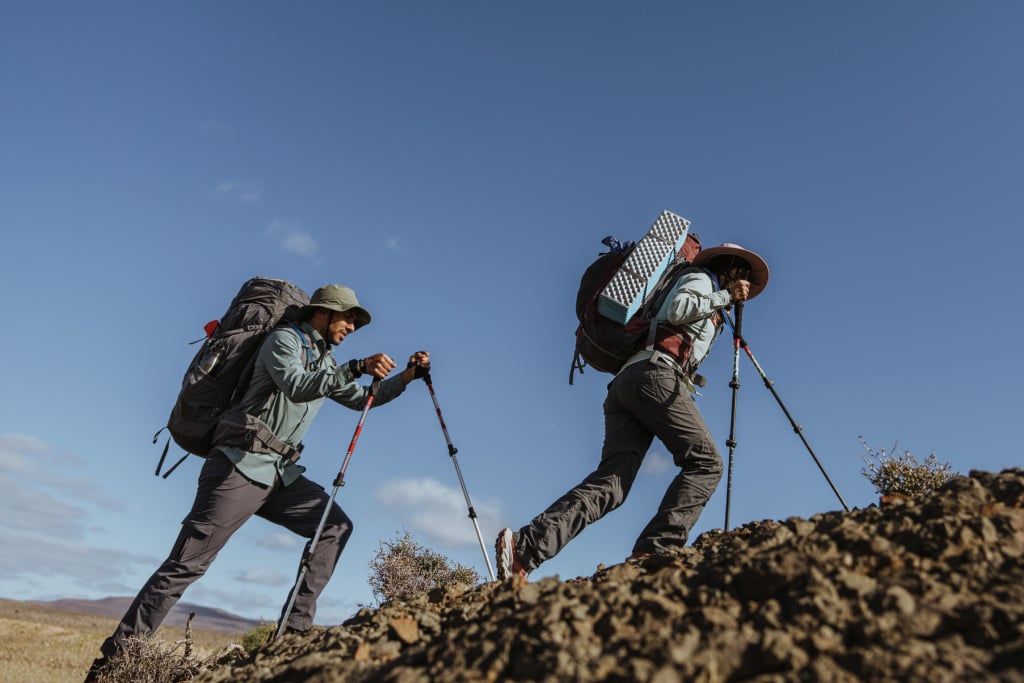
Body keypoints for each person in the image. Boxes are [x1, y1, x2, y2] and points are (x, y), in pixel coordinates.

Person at [86, 284, 430, 682]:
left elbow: (361, 399)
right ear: (323, 313)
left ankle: (291, 638)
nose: (352, 326)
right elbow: (297, 385)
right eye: (348, 317)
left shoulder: (324, 357)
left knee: (334, 527)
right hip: (238, 465)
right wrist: (354, 367)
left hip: (280, 476)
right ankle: (112, 666)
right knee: (185, 565)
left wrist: (408, 375)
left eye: (356, 321)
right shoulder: (283, 340)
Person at [495, 243, 769, 579]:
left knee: (613, 483)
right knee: (707, 462)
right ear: (728, 267)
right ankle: (655, 550)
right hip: (654, 376)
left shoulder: (710, 296)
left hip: (632, 382)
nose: (745, 282)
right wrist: (723, 298)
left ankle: (525, 549)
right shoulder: (700, 279)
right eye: (742, 273)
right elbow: (676, 310)